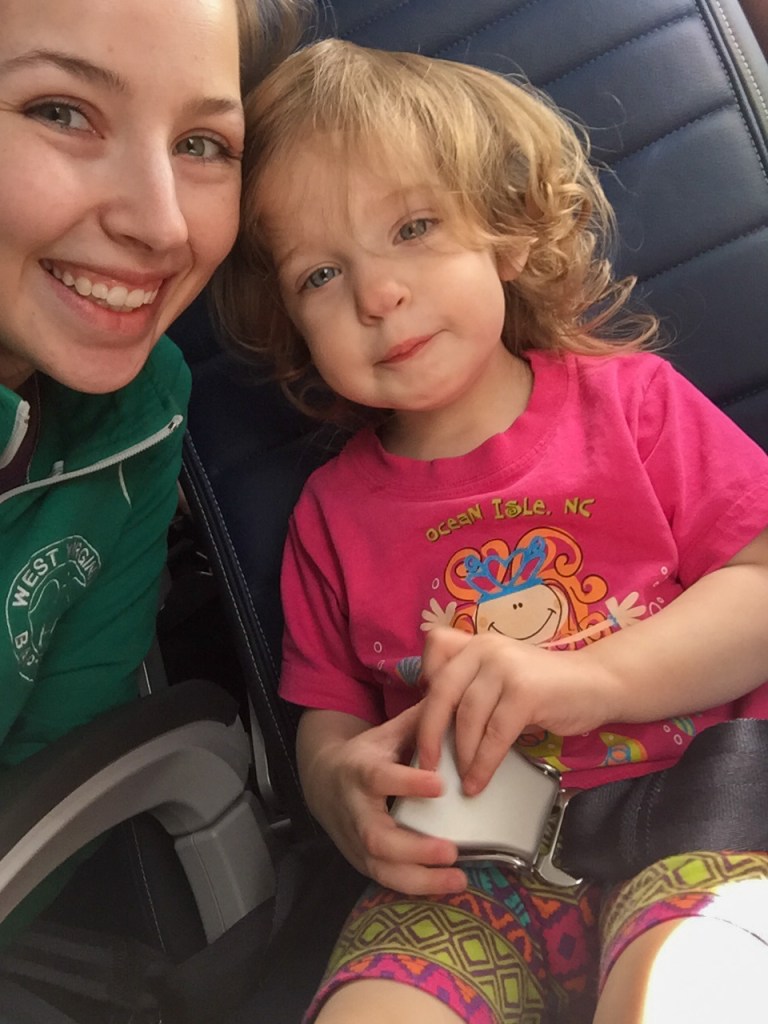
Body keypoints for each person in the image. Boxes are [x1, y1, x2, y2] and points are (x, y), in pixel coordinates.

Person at [215, 37, 768, 1024]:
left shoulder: (633, 407)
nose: (378, 294)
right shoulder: (331, 517)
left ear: (504, 237)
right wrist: (338, 785)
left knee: (692, 991)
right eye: (322, 274)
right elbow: (328, 715)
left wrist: (599, 681)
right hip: (461, 880)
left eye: (414, 227)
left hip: (688, 822)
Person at [0, 0, 306, 951]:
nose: (163, 225)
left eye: (203, 144)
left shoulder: (142, 410)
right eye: (60, 112)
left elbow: (42, 771)